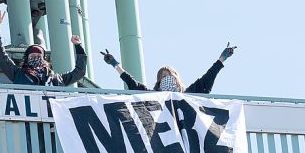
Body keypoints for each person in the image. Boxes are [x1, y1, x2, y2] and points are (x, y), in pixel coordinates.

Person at [0, 9, 87, 86]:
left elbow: (79, 72)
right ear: (26, 58)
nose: (36, 57)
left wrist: (78, 46)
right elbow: (1, 57)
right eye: (32, 55)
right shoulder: (18, 74)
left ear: (43, 59)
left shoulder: (56, 78)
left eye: (38, 55)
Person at [100, 43, 237, 93]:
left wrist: (221, 59)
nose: (166, 78)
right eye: (163, 77)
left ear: (176, 78)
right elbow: (131, 83)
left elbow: (208, 78)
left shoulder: (189, 94)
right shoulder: (151, 96)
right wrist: (115, 64)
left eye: (169, 75)